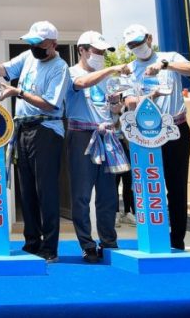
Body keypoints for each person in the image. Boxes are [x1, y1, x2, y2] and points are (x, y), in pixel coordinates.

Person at [0, 20, 70, 262]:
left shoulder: (60, 67)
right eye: (31, 42)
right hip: (22, 128)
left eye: (38, 43)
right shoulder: (28, 57)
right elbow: (5, 69)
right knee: (27, 189)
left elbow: (51, 104)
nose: (34, 46)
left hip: (46, 129)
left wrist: (18, 92)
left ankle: (49, 246)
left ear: (52, 44)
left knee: (46, 189)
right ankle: (32, 241)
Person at [121, 24, 190, 250]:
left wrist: (164, 65)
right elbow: (129, 101)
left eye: (139, 42)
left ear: (149, 38)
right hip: (145, 133)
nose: (137, 48)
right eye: (132, 45)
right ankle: (153, 237)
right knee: (148, 185)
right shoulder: (131, 68)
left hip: (175, 128)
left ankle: (177, 240)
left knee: (176, 186)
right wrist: (147, 96)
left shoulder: (169, 57)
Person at [66, 30, 125, 263]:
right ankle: (87, 244)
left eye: (103, 52)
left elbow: (116, 110)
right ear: (82, 50)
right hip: (81, 133)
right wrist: (110, 69)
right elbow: (81, 84)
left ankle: (108, 241)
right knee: (81, 194)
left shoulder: (110, 78)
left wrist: (115, 105)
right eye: (96, 51)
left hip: (107, 135)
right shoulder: (71, 72)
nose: (100, 55)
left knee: (109, 194)